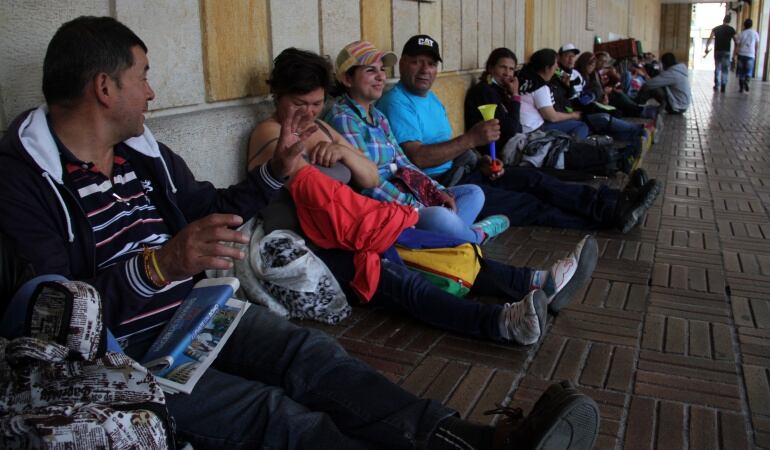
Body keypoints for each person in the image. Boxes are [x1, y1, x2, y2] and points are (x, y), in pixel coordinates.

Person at [0, 17, 601, 450]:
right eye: (144, 76)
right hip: (120, 359)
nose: (153, 91)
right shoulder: (22, 181)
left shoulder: (140, 153)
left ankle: (466, 438)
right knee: (279, 417)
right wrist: (158, 267)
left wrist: (275, 170)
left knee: (312, 355)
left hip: (189, 315)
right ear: (104, 88)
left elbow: (211, 206)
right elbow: (50, 313)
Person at [251, 46, 575, 345]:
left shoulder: (323, 128)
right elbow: (288, 183)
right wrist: (292, 160)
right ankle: (501, 323)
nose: (307, 113)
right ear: (277, 96)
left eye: (316, 104)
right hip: (316, 241)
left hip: (357, 225)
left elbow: (368, 174)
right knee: (400, 278)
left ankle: (536, 280)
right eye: (298, 104)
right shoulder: (269, 133)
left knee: (442, 250)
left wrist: (344, 153)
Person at [382, 36, 661, 233]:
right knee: (529, 205)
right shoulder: (397, 102)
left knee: (536, 179)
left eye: (430, 64)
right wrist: (471, 140)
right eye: (417, 62)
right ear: (402, 64)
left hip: (466, 170)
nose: (425, 70)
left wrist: (481, 160)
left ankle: (613, 203)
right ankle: (611, 215)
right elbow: (417, 157)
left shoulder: (431, 98)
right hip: (443, 188)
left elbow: (449, 145)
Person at [324, 41, 510, 245]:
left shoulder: (377, 116)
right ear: (347, 78)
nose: (381, 77)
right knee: (440, 216)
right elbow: (368, 184)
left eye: (382, 70)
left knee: (472, 193)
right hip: (386, 208)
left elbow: (404, 163)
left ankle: (442, 241)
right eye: (370, 70)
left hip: (408, 192)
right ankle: (475, 236)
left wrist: (436, 191)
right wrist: (418, 205)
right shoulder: (343, 118)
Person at [517, 48, 588, 138]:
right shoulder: (540, 86)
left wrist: (566, 86)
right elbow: (552, 117)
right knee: (581, 125)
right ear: (547, 68)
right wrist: (573, 115)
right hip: (534, 130)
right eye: (556, 64)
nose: (557, 68)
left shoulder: (524, 78)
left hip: (524, 127)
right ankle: (569, 149)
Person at [463, 47, 522, 151]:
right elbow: (511, 129)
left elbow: (516, 126)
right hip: (493, 154)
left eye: (511, 69)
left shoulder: (499, 89)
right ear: (491, 68)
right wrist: (515, 95)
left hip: (509, 147)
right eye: (503, 67)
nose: (507, 73)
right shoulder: (484, 91)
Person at [704, 14, 737, 93]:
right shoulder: (731, 30)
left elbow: (710, 38)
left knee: (717, 67)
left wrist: (707, 48)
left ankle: (716, 84)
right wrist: (735, 52)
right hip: (726, 51)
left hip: (717, 51)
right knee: (725, 69)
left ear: (723, 20)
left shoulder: (716, 29)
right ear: (729, 21)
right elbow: (736, 41)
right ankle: (723, 85)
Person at [736, 18, 760, 93]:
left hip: (741, 54)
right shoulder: (755, 33)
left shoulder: (741, 33)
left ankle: (741, 88)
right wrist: (755, 52)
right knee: (749, 71)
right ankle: (747, 81)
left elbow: (738, 44)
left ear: (744, 25)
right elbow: (757, 44)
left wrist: (736, 53)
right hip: (750, 55)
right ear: (751, 25)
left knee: (741, 72)